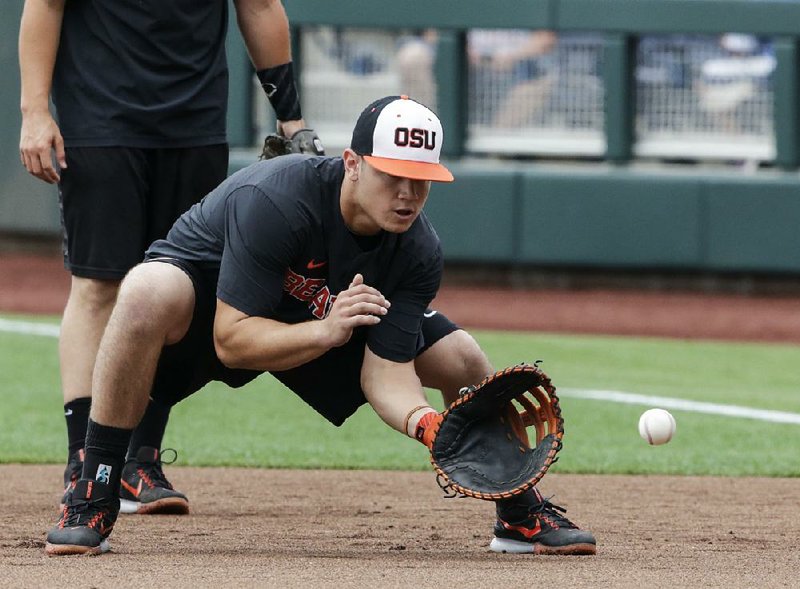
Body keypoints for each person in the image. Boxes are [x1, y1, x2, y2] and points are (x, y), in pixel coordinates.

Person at [44, 96, 596, 556]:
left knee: (465, 359)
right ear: (353, 163)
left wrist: (428, 424)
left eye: (421, 180)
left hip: (321, 319)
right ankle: (94, 489)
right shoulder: (277, 200)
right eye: (393, 176)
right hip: (215, 310)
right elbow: (232, 342)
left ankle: (518, 512)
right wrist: (325, 332)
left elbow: (387, 371)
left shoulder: (418, 249)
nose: (407, 195)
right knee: (143, 288)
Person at [18, 0, 320, 516]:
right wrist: (35, 110)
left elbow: (261, 6)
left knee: (183, 288)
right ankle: (85, 461)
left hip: (195, 123)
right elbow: (44, 5)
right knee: (99, 286)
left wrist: (291, 117)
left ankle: (139, 460)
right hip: (100, 116)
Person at [397, 29, 558, 127]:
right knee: (413, 56)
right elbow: (432, 31)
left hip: (517, 71)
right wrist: (460, 48)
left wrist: (513, 56)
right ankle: (429, 134)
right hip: (463, 68)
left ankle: (493, 152)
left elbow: (546, 37)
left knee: (543, 81)